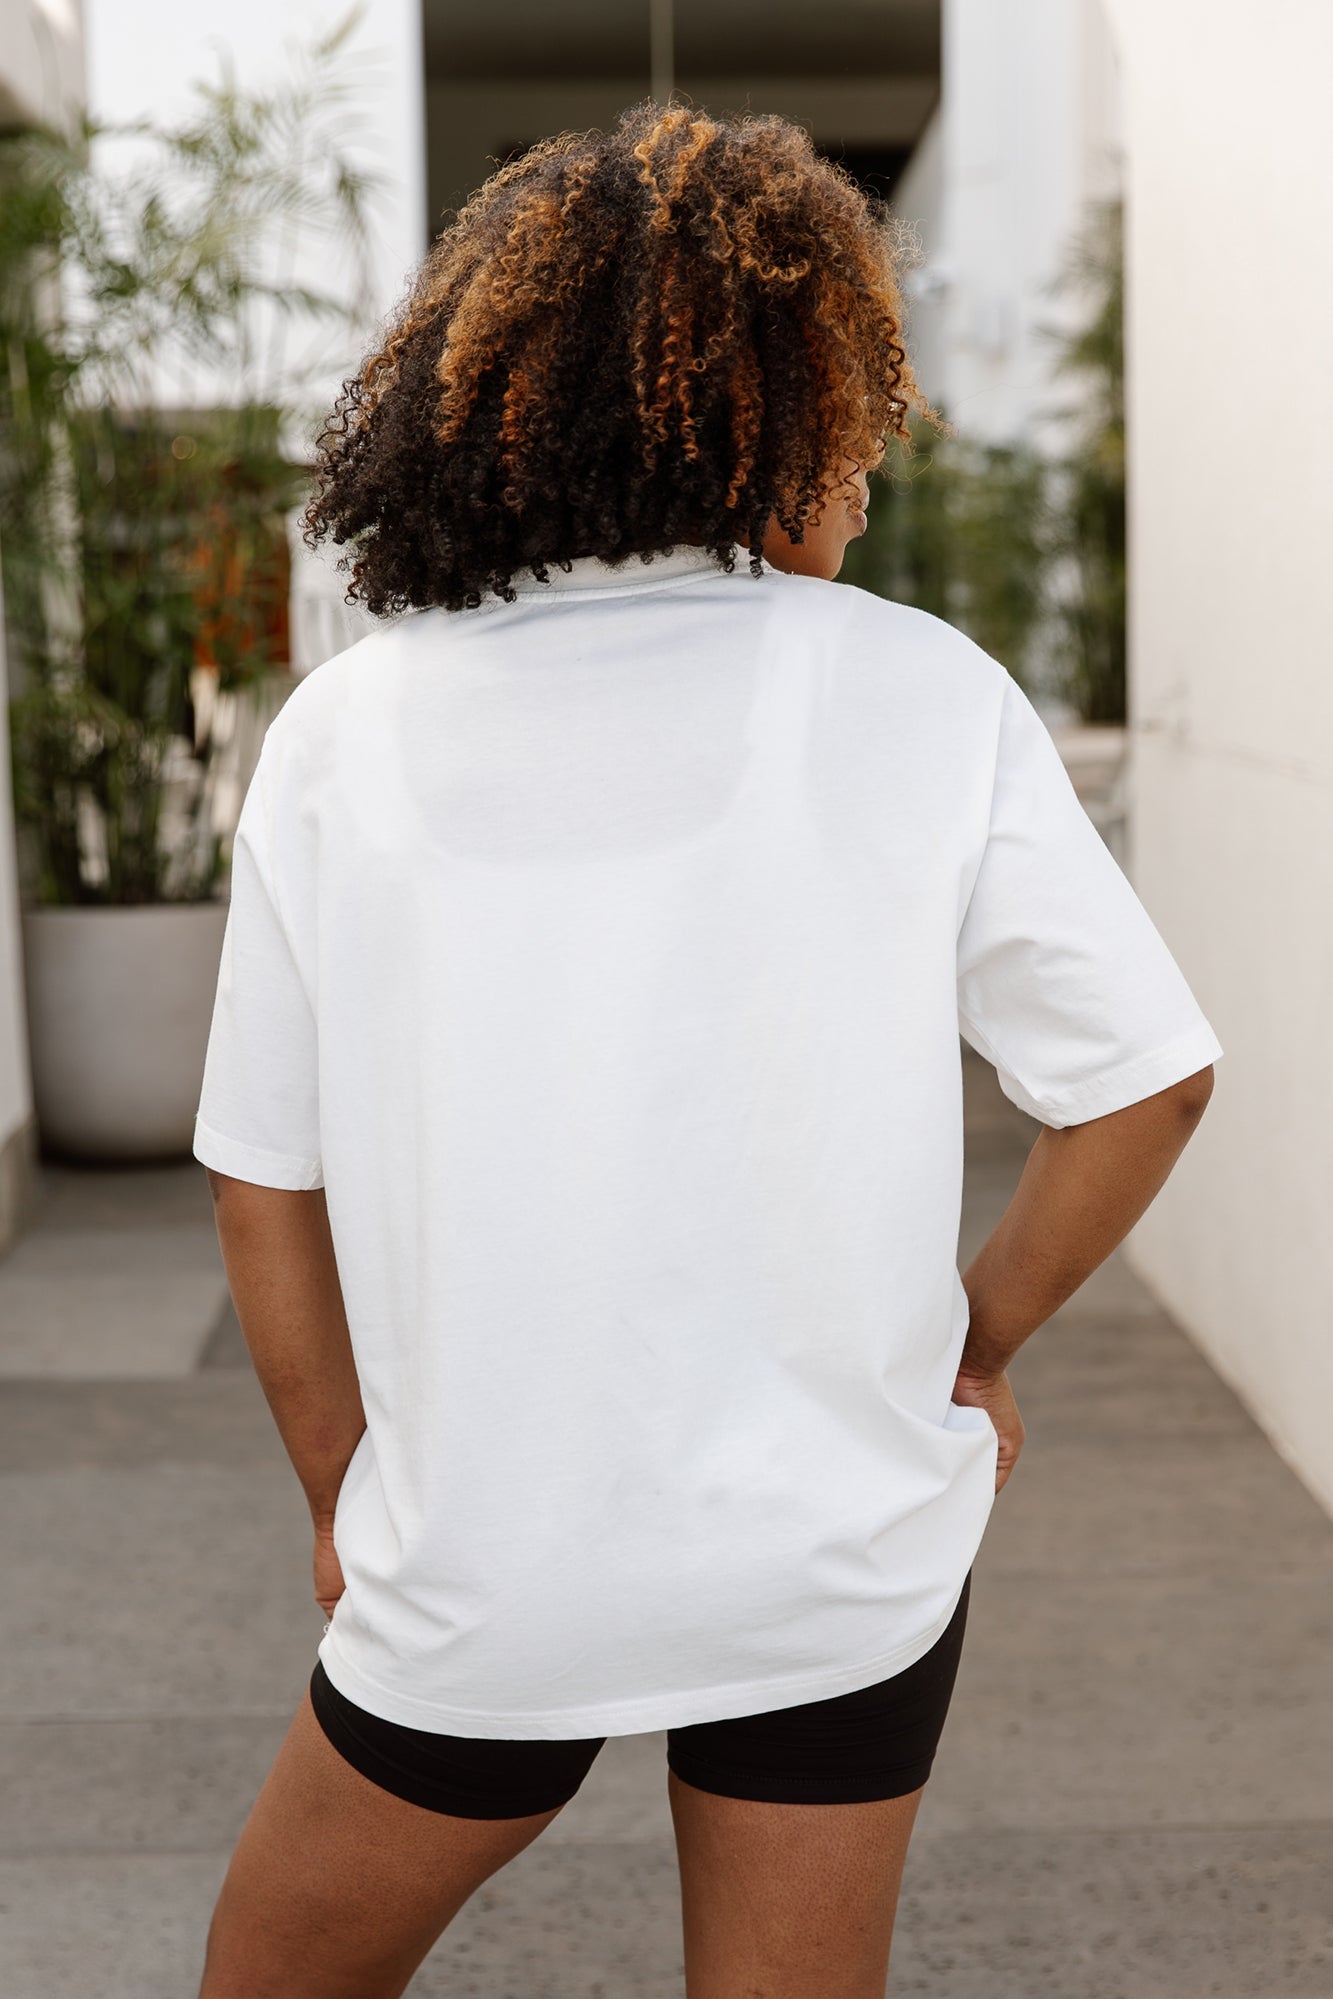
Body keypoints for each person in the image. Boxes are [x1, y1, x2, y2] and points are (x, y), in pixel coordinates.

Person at [191, 100, 1221, 1999]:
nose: (868, 476)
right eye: (857, 424)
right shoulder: (918, 690)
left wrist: (344, 1493)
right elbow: (1145, 1084)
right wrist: (976, 1345)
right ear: (789, 414)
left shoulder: (348, 729)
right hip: (835, 1564)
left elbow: (264, 1175)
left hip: (486, 1570)